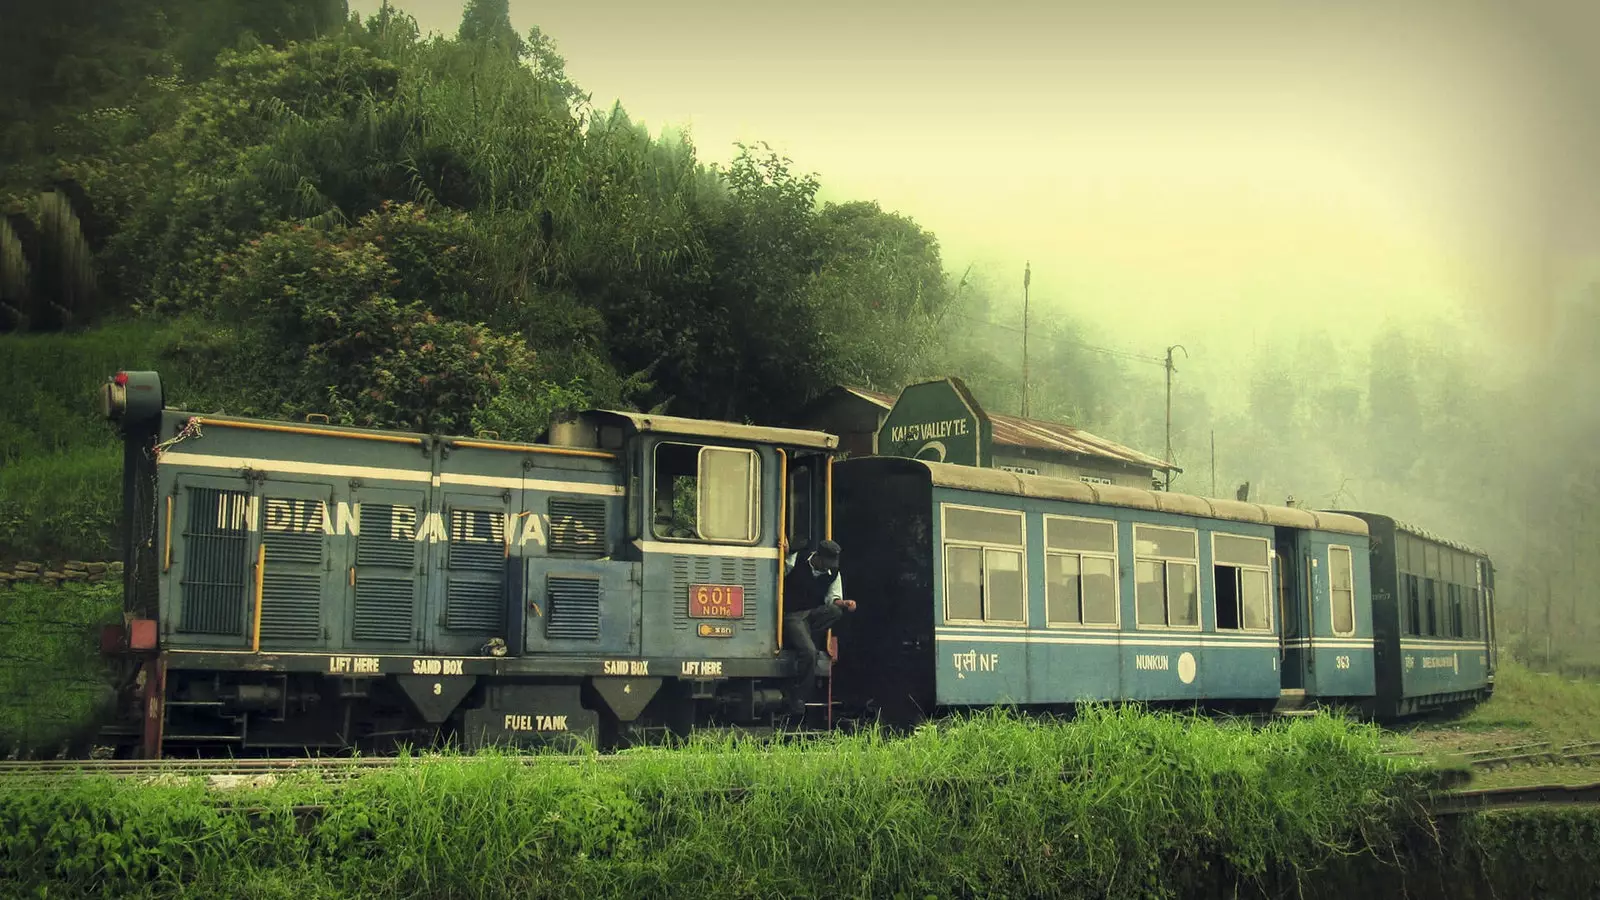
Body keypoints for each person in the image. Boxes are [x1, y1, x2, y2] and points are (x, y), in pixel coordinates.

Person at [781, 539, 855, 718]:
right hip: (793, 614)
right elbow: (778, 574)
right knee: (809, 652)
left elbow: (833, 599)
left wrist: (845, 603)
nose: (830, 567)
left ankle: (806, 638)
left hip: (812, 615)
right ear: (818, 558)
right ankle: (798, 699)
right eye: (828, 562)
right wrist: (782, 554)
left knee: (835, 611)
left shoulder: (833, 573)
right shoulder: (796, 559)